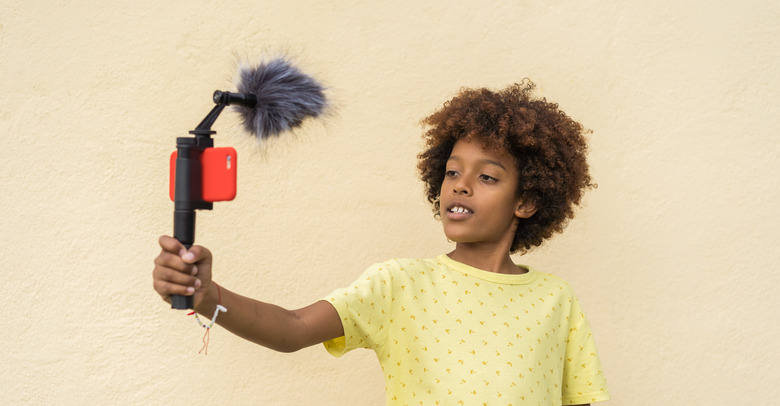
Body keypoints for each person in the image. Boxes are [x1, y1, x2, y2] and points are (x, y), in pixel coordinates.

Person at [153, 80, 610, 405]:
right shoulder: (399, 284)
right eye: (452, 171)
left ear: (527, 202)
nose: (461, 184)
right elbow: (291, 328)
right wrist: (209, 296)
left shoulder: (555, 300)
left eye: (487, 176)